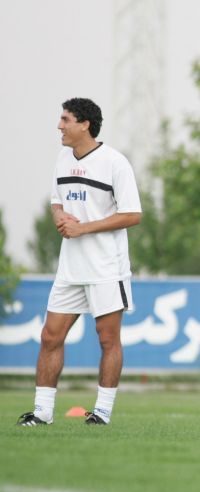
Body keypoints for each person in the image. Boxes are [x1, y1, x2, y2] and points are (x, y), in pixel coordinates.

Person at [17, 98, 142, 427]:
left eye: (65, 119)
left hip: (106, 268)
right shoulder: (62, 158)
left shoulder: (115, 162)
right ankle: (42, 413)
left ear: (85, 124)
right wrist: (59, 216)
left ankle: (102, 413)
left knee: (107, 339)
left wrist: (83, 228)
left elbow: (133, 214)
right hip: (70, 269)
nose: (59, 126)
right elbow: (56, 201)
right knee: (50, 337)